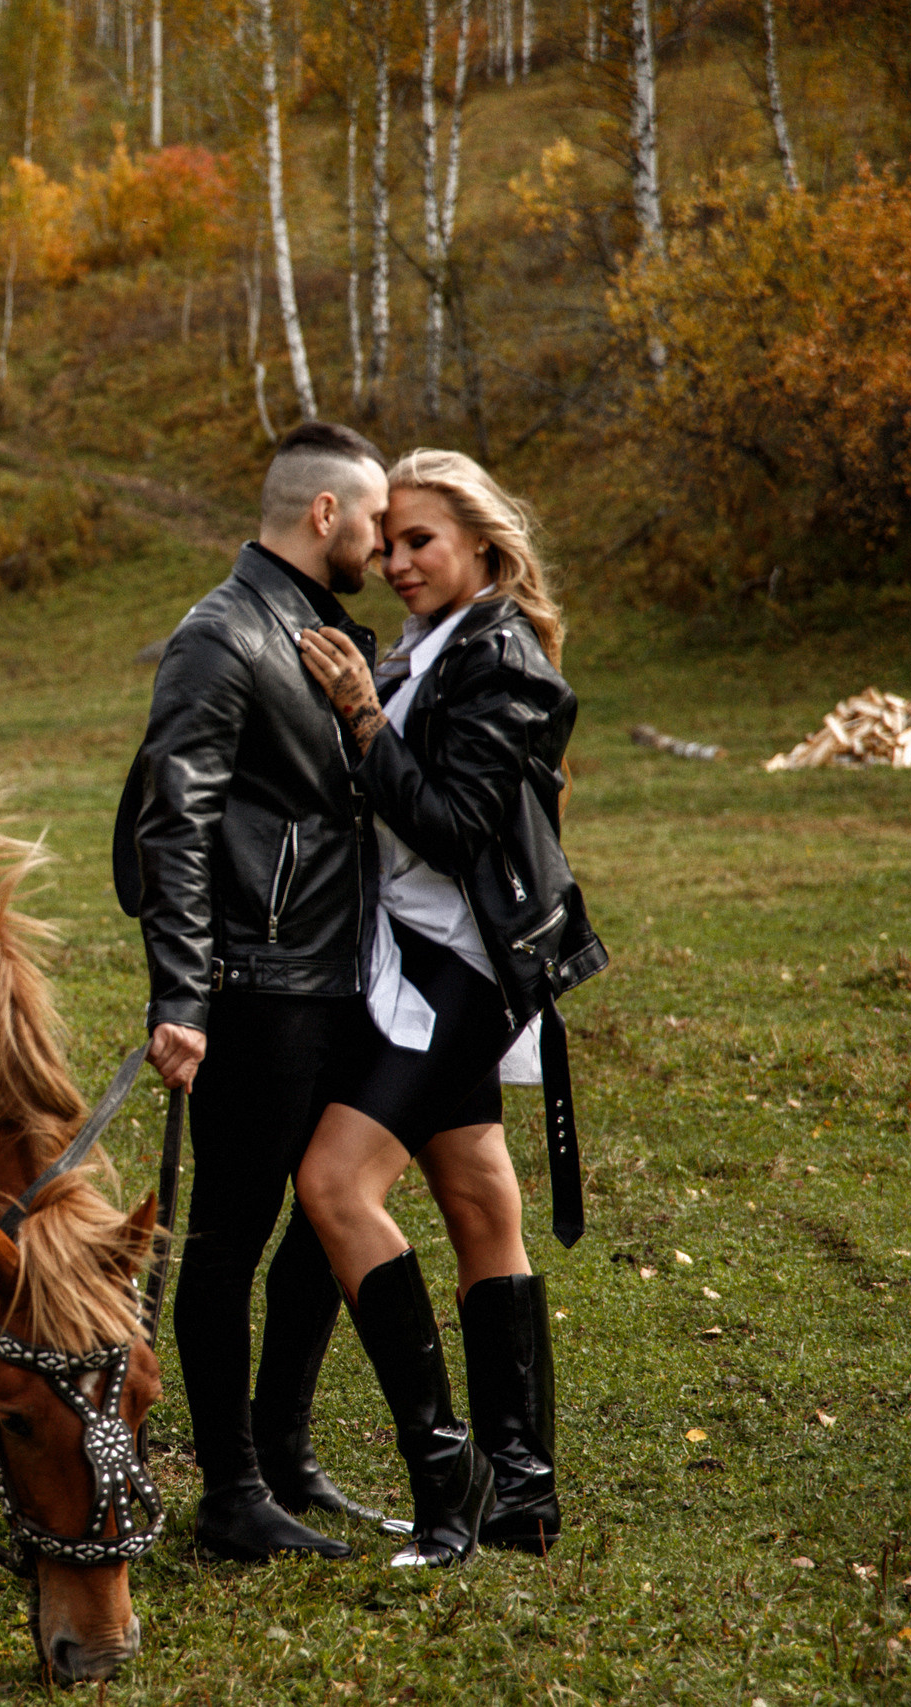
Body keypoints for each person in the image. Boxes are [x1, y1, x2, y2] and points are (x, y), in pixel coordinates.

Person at [289, 448, 607, 1569]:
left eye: (420, 539)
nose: (398, 561)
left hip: (462, 966)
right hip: (415, 955)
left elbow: (455, 825)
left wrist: (362, 720)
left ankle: (447, 1470)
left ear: (480, 541)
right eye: (389, 543)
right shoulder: (429, 648)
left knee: (333, 1184)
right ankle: (520, 1496)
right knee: (478, 1203)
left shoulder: (503, 658)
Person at [117, 421, 391, 1563]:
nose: (383, 542)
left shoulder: (324, 631)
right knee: (231, 1232)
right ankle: (229, 1494)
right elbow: (170, 822)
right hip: (255, 983)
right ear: (323, 514)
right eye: (374, 519)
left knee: (322, 1218)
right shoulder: (221, 635)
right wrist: (182, 996)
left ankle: (285, 1461)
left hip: (339, 973)